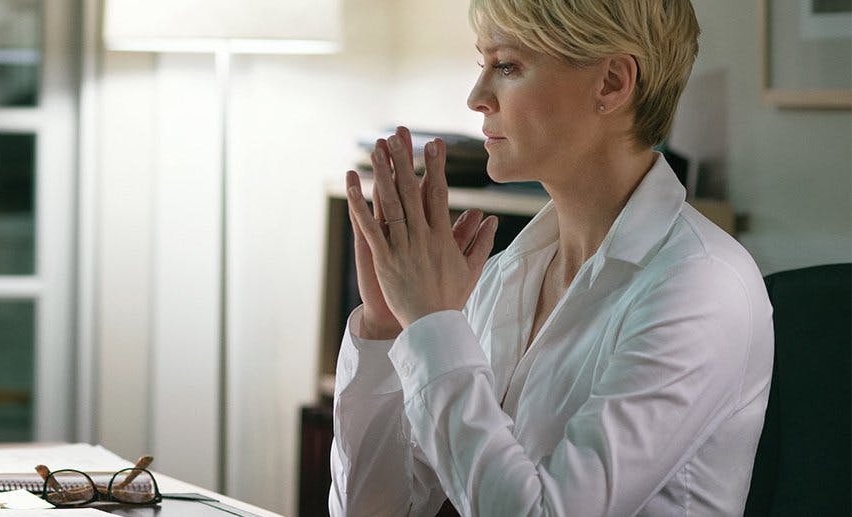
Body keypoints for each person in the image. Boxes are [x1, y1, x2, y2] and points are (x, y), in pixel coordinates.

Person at [329, 0, 773, 515]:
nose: (476, 98)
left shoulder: (703, 288)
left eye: (507, 66)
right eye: (483, 64)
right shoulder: (505, 275)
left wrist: (431, 323)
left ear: (611, 83)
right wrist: (386, 327)